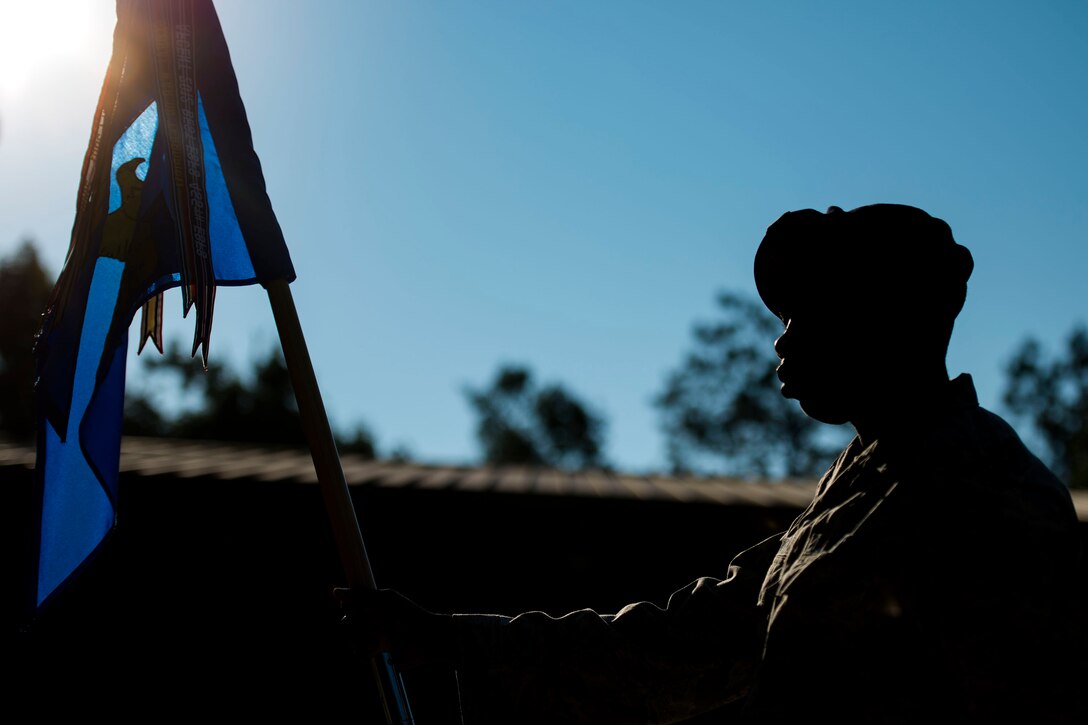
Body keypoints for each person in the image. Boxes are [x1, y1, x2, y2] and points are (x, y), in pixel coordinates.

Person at [338, 204, 1083, 724]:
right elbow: (676, 644)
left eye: (811, 307)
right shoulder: (860, 486)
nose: (782, 340)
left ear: (883, 312)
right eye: (782, 316)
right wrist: (449, 639)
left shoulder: (985, 489)